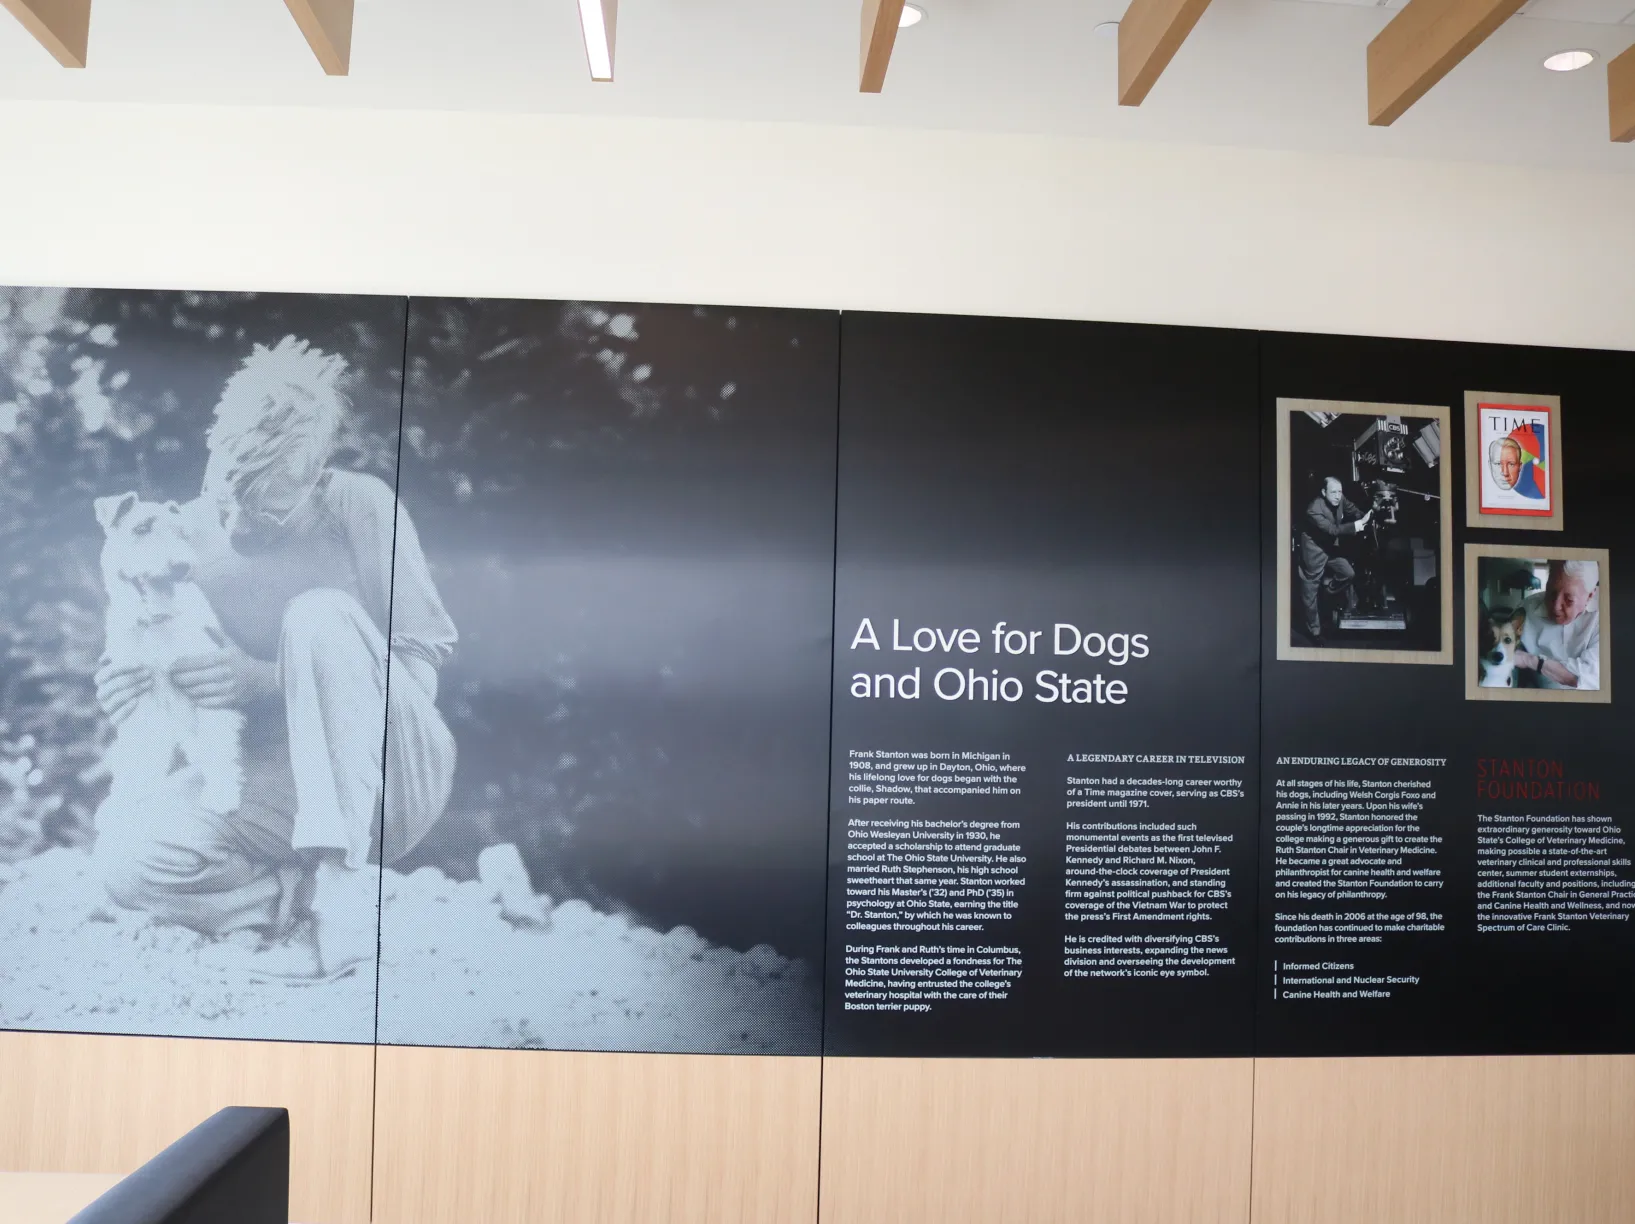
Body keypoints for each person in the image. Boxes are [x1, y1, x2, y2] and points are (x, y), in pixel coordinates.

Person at [91, 337, 458, 978]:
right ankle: (288, 902)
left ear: (317, 477)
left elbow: (420, 677)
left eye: (265, 506)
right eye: (225, 496)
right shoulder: (188, 534)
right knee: (126, 858)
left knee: (318, 616)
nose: (234, 526)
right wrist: (122, 682)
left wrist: (271, 681)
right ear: (213, 456)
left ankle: (343, 897)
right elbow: (142, 635)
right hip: (278, 786)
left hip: (393, 772)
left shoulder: (361, 507)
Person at [1297, 476, 1372, 642]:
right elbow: (1332, 530)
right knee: (1309, 593)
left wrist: (1367, 516)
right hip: (1314, 550)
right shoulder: (1313, 509)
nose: (1338, 496)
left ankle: (1327, 593)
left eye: (1340, 491)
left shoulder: (1340, 498)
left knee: (1348, 573)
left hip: (1330, 547)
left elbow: (1354, 510)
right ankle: (1314, 632)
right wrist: (1359, 525)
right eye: (1333, 492)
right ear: (1324, 492)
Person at [1514, 559, 1600, 690]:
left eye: (1568, 599)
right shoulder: (1526, 608)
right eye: (1551, 593)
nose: (1555, 606)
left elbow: (1582, 676)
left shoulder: (1604, 619)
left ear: (1589, 596)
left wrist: (1531, 661)